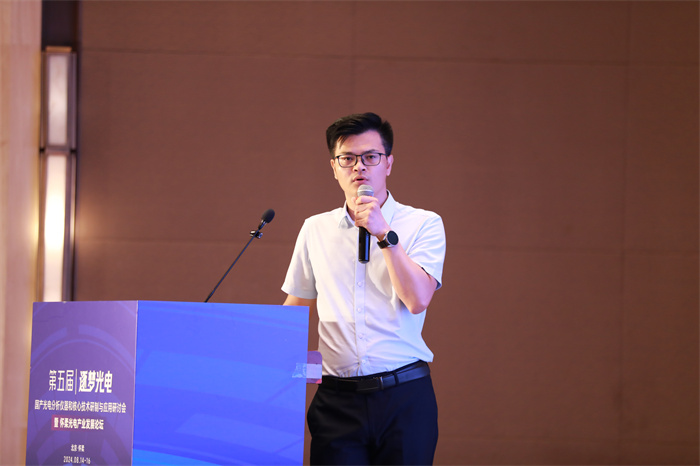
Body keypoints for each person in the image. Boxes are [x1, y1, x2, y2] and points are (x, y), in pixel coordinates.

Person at [282, 112, 446, 465]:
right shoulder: (315, 228)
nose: (359, 167)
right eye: (347, 158)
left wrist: (384, 233)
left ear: (388, 164)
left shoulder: (424, 223)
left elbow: (418, 300)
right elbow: (295, 308)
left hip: (404, 396)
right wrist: (287, 367)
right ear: (334, 167)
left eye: (370, 156)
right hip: (336, 403)